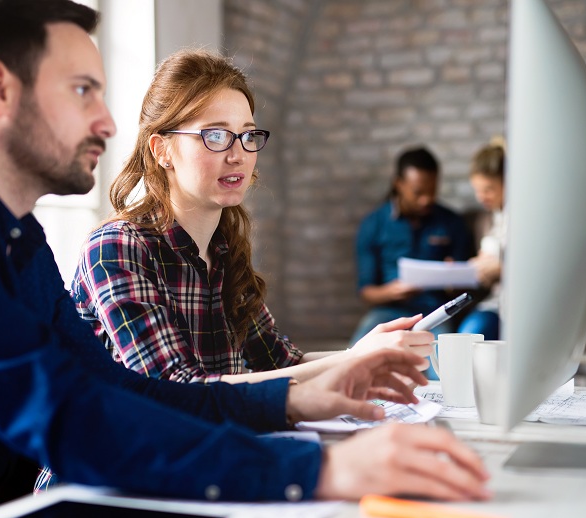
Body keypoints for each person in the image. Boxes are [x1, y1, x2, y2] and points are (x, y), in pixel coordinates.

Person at [0, 1, 489, 518]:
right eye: (82, 91)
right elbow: (73, 416)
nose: (106, 122)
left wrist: (296, 397)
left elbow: (122, 390)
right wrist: (320, 471)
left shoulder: (19, 236)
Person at [71, 49, 433, 384]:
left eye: (247, 136)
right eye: (216, 136)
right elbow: (178, 391)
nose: (238, 155)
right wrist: (354, 361)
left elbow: (282, 365)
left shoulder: (225, 251)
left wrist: (368, 353)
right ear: (162, 149)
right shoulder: (116, 247)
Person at [350, 147, 474, 348]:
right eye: (418, 192)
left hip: (435, 313)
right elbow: (365, 291)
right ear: (398, 184)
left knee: (442, 357)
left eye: (432, 191)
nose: (427, 199)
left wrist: (454, 278)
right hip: (388, 312)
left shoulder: (452, 223)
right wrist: (391, 291)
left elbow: (465, 284)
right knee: (356, 353)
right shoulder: (373, 224)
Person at [457, 142, 506, 340]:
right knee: (465, 336)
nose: (481, 197)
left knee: (471, 334)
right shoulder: (489, 219)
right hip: (495, 301)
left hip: (517, 305)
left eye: (489, 189)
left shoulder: (525, 218)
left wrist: (501, 268)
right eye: (477, 190)